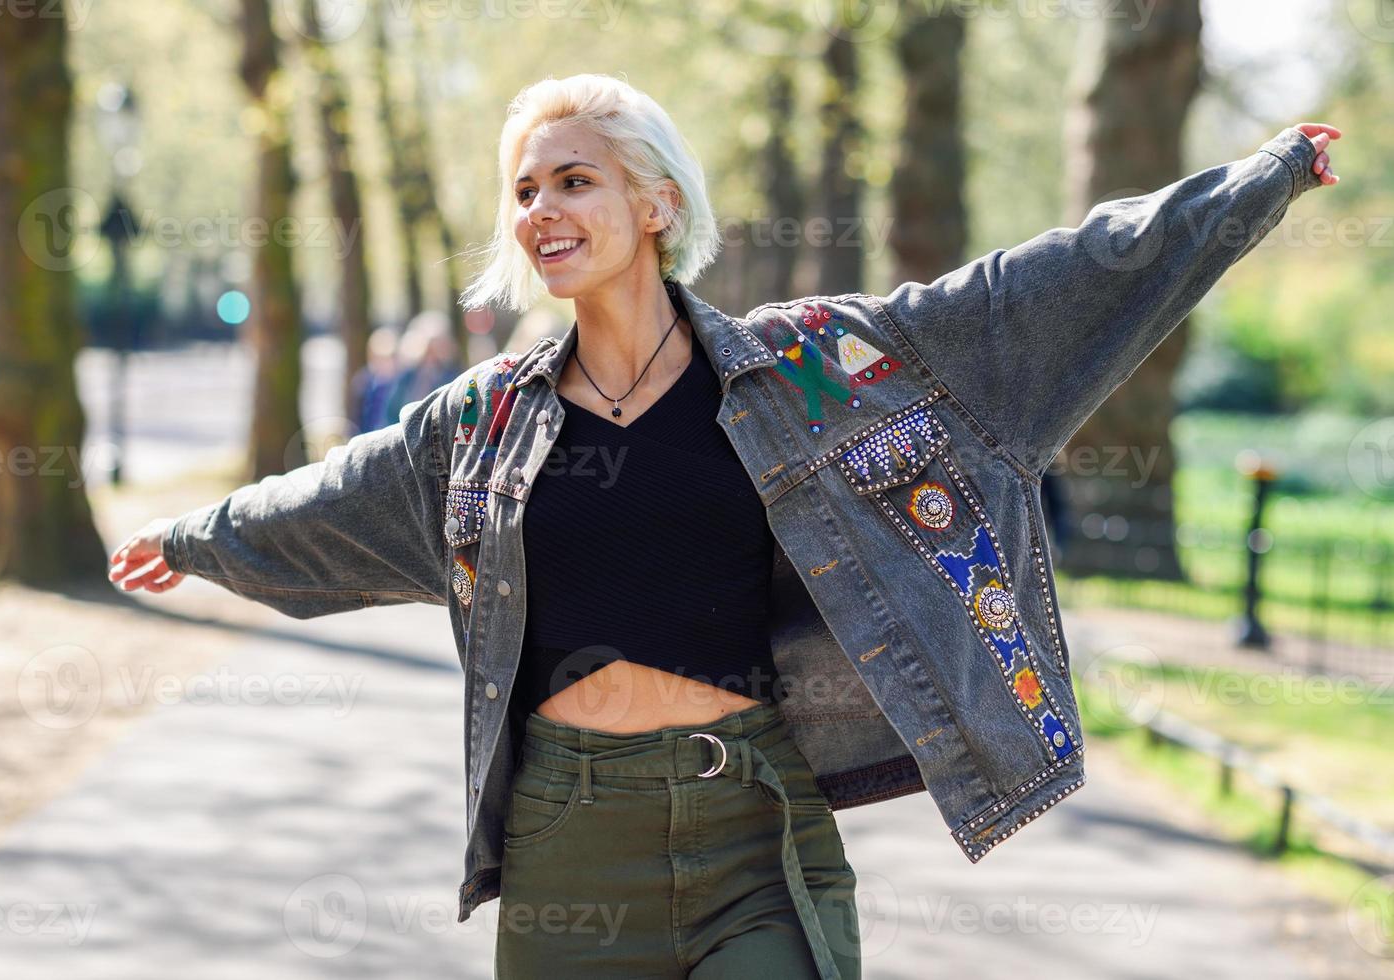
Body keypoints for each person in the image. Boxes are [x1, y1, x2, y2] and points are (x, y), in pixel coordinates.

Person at [108, 73, 1339, 978]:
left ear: (652, 202)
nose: (540, 208)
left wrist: (1252, 182)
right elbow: (336, 496)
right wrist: (201, 532)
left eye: (572, 180)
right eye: (523, 191)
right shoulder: (480, 422)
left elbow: (1039, 287)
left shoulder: (814, 367)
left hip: (755, 819)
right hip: (566, 839)